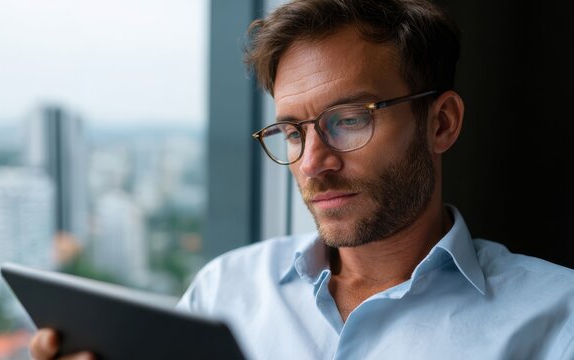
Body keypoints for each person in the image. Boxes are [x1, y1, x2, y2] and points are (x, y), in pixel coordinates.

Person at [30, 0, 574, 359]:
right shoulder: (225, 289)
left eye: (349, 119)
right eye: (293, 131)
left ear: (441, 123)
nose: (314, 162)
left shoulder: (556, 318)